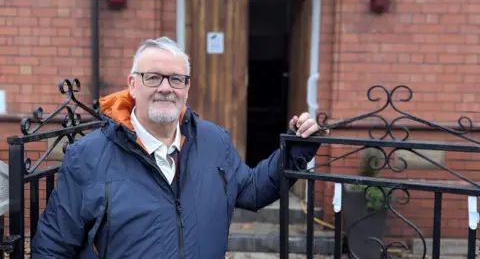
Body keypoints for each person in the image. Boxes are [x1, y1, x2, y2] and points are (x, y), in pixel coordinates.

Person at [31, 37, 328, 259]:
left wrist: (296, 148)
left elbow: (252, 189)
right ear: (133, 85)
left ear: (186, 88)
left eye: (176, 79)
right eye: (153, 77)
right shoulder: (88, 155)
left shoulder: (215, 141)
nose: (165, 87)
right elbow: (55, 244)